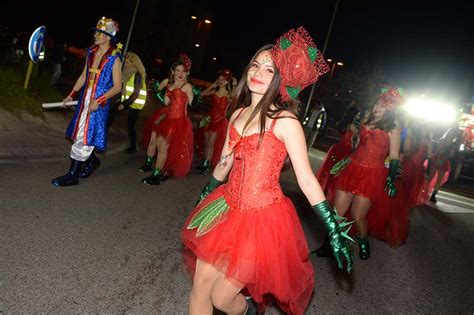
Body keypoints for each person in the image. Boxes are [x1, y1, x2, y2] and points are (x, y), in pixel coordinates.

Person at [181, 27, 352, 315]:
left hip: (261, 219)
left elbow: (306, 179)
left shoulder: (285, 122)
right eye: (255, 65)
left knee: (223, 298)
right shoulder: (236, 113)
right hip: (227, 206)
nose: (257, 73)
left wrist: (332, 226)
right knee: (200, 289)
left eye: (269, 70)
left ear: (280, 80)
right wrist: (207, 191)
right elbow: (225, 160)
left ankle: (247, 311)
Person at [318, 87, 408, 260]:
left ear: (390, 108)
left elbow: (395, 155)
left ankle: (363, 241)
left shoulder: (394, 127)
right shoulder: (366, 119)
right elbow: (357, 142)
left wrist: (390, 179)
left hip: (372, 174)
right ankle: (327, 246)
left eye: (382, 105)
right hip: (352, 168)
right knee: (336, 213)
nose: (377, 107)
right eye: (377, 103)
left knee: (358, 216)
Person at [51, 17, 122, 186]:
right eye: (96, 32)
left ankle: (72, 175)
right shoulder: (91, 51)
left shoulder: (114, 57)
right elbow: (84, 76)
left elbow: (118, 87)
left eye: (100, 33)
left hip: (99, 103)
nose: (96, 35)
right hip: (85, 99)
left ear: (108, 36)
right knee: (79, 132)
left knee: (85, 135)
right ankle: (92, 161)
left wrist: (100, 100)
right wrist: (71, 95)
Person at [139, 53, 194, 185]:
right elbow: (166, 102)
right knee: (159, 145)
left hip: (178, 121)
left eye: (183, 71)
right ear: (173, 72)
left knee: (162, 146)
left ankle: (157, 175)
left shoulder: (187, 86)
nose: (180, 74)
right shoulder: (171, 86)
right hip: (168, 118)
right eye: (178, 71)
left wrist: (195, 97)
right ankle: (158, 171)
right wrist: (163, 92)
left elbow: (192, 102)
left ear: (187, 73)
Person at [196, 68, 235, 173]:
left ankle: (206, 165)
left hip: (219, 121)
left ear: (227, 82)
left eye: (223, 80)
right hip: (210, 119)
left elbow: (234, 96)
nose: (221, 81)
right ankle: (205, 161)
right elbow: (202, 94)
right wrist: (213, 85)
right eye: (219, 79)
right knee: (206, 142)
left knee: (211, 143)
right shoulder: (214, 91)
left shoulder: (228, 94)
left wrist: (233, 85)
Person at [108, 51, 147, 153]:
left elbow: (136, 94)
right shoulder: (127, 73)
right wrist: (119, 99)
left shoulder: (137, 74)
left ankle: (134, 147)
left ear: (134, 64)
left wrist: (123, 104)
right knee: (111, 112)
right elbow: (124, 88)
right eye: (125, 62)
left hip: (135, 103)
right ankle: (102, 133)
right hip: (128, 100)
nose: (125, 64)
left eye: (128, 63)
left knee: (131, 125)